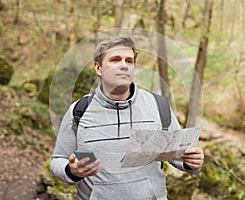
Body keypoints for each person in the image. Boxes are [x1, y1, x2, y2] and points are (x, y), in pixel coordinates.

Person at [50, 35, 204, 200]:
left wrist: (191, 162)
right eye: (115, 60)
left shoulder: (158, 106)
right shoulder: (79, 111)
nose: (124, 65)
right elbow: (57, 160)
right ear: (98, 68)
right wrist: (71, 171)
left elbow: (177, 154)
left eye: (129, 61)